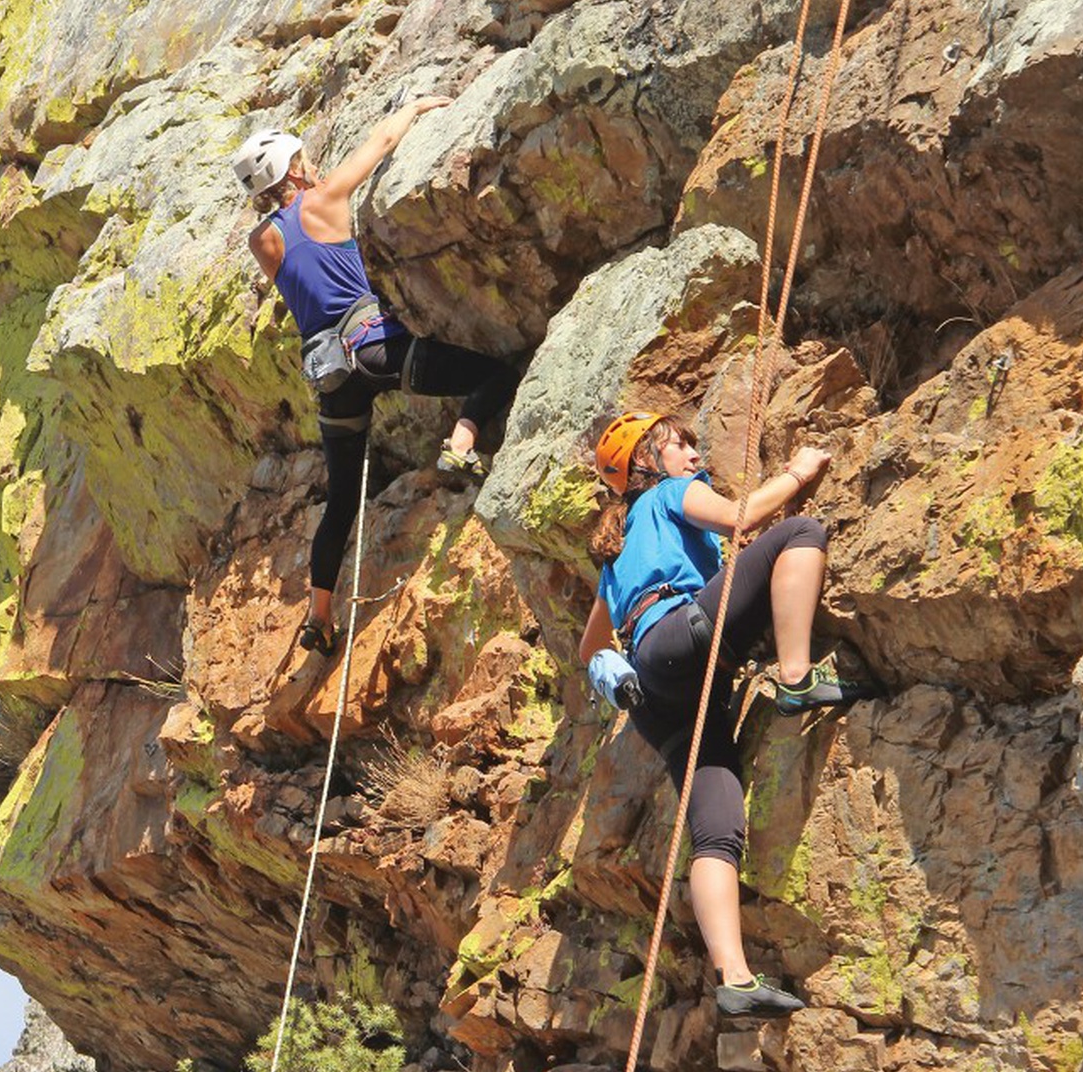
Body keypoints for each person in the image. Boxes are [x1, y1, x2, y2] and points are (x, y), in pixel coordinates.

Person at [575, 411, 876, 1018]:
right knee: (800, 532)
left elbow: (589, 650)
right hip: (681, 635)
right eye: (678, 446)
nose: (694, 454)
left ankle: (734, 978)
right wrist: (798, 473)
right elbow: (744, 516)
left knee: (715, 827)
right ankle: (797, 678)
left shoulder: (616, 554)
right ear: (647, 463)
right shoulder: (668, 494)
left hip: (655, 693)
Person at [233, 102, 521, 658]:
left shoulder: (260, 241)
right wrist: (416, 105)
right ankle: (461, 444)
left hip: (333, 379)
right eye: (302, 158)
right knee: (494, 375)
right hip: (378, 348)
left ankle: (319, 615)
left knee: (342, 499)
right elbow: (382, 142)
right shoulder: (325, 198)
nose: (311, 163)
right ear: (293, 169)